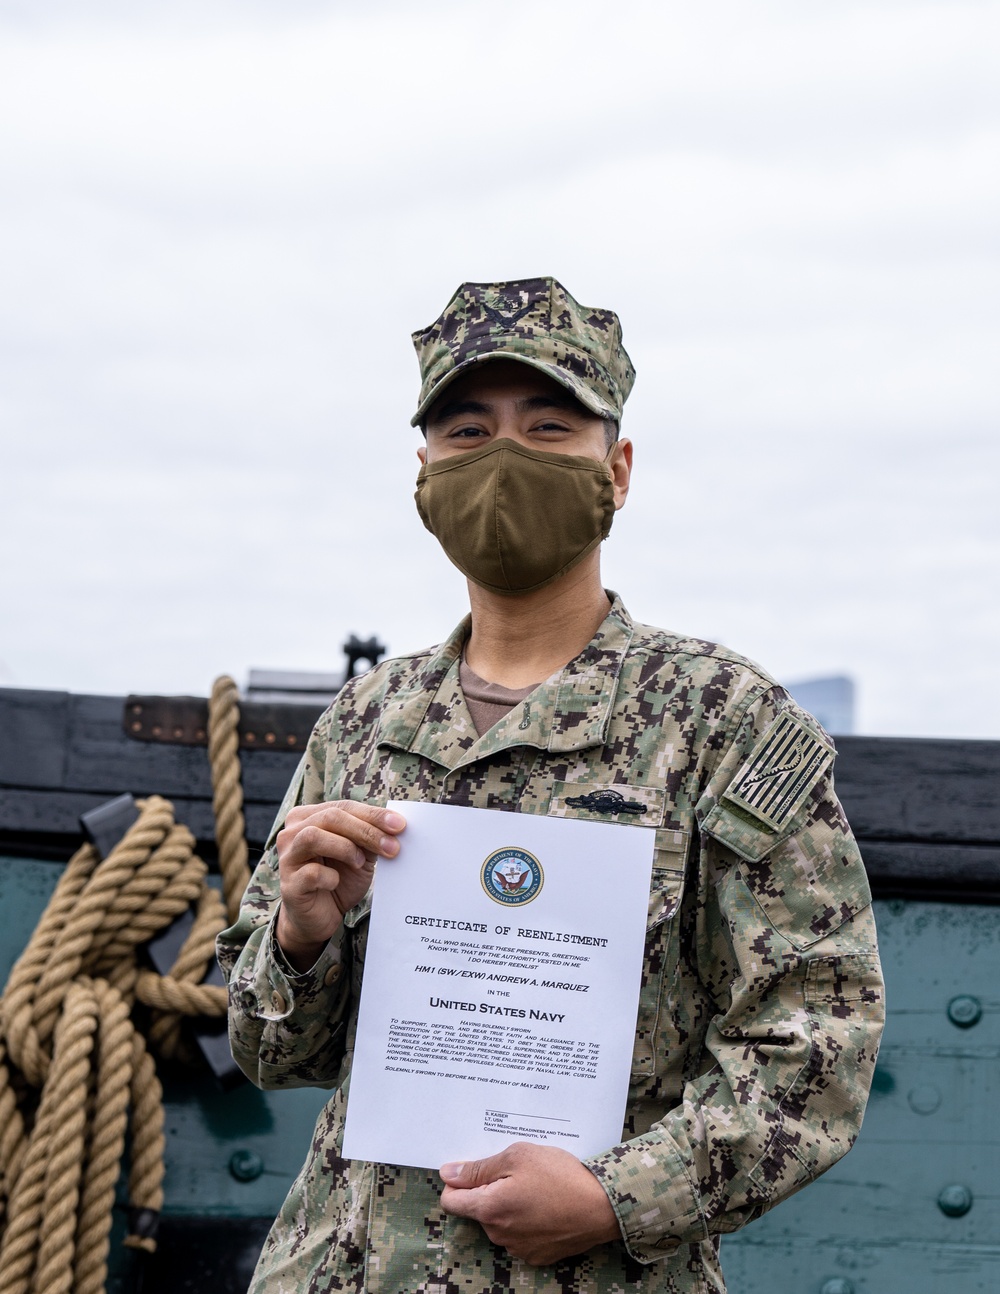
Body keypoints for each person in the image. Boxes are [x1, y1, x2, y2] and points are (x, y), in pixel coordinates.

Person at [217, 277, 885, 1294]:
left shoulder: (723, 723)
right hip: (351, 1266)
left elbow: (812, 1041)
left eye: (548, 424)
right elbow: (270, 1050)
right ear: (424, 469)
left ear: (615, 468)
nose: (503, 456)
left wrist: (621, 1195)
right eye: (468, 429)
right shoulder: (366, 720)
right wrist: (301, 936)